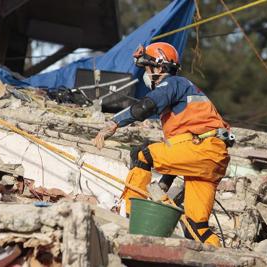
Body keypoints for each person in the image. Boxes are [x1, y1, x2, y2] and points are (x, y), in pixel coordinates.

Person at [93, 42, 232, 247]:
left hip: (203, 148)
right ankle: (224, 260)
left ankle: (130, 217)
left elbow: (145, 107)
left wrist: (113, 123)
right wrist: (162, 188)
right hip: (212, 157)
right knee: (196, 226)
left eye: (147, 68)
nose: (145, 74)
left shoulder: (173, 83)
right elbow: (179, 157)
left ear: (159, 67)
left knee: (142, 154)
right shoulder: (183, 100)